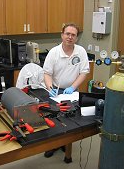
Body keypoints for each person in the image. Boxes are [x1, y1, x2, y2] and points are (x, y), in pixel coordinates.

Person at [43, 23, 90, 157]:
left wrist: (72, 87)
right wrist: (50, 88)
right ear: (62, 35)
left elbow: (84, 72)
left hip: (72, 92)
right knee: (55, 119)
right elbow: (47, 73)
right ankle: (53, 145)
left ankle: (66, 145)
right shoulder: (54, 52)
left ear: (76, 37)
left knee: (70, 120)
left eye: (73, 35)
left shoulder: (80, 51)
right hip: (56, 91)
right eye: (67, 34)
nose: (70, 37)